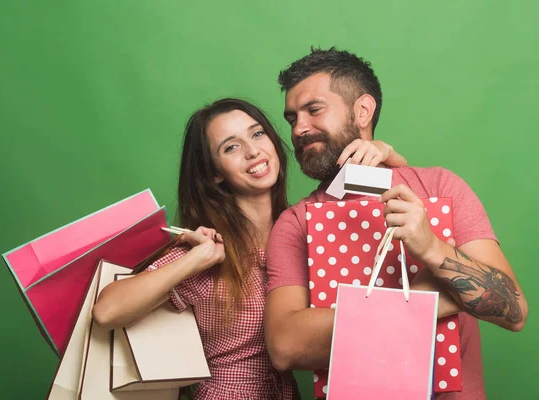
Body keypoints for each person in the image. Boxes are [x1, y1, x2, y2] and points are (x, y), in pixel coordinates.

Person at [92, 97, 408, 399]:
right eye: (231, 147)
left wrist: (387, 155)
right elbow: (106, 312)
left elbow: (382, 213)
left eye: (257, 134)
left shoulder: (307, 228)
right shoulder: (209, 249)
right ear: (214, 173)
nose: (252, 151)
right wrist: (194, 260)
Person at [264, 47, 528, 399]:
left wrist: (432, 249)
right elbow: (286, 346)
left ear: (363, 110)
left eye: (313, 110)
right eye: (291, 118)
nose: (298, 129)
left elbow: (513, 310)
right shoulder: (296, 223)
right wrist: (427, 297)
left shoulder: (439, 188)